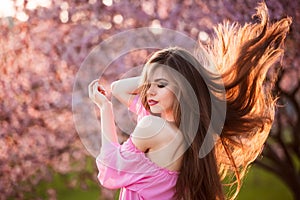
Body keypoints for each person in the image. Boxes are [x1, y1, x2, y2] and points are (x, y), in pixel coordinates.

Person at [88, 2, 292, 200]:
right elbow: (117, 88)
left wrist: (105, 108)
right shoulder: (189, 135)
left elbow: (109, 170)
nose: (149, 92)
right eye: (148, 84)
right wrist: (158, 74)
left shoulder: (154, 127)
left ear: (182, 92)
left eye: (160, 86)